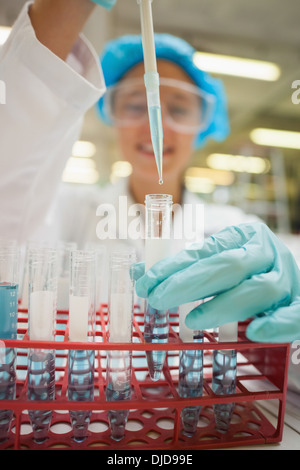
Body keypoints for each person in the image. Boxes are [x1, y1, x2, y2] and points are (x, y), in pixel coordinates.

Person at [0, 0, 300, 349]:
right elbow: (10, 184)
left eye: (178, 109)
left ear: (201, 124)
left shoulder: (233, 230)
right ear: (112, 115)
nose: (153, 124)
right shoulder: (67, 212)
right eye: (133, 106)